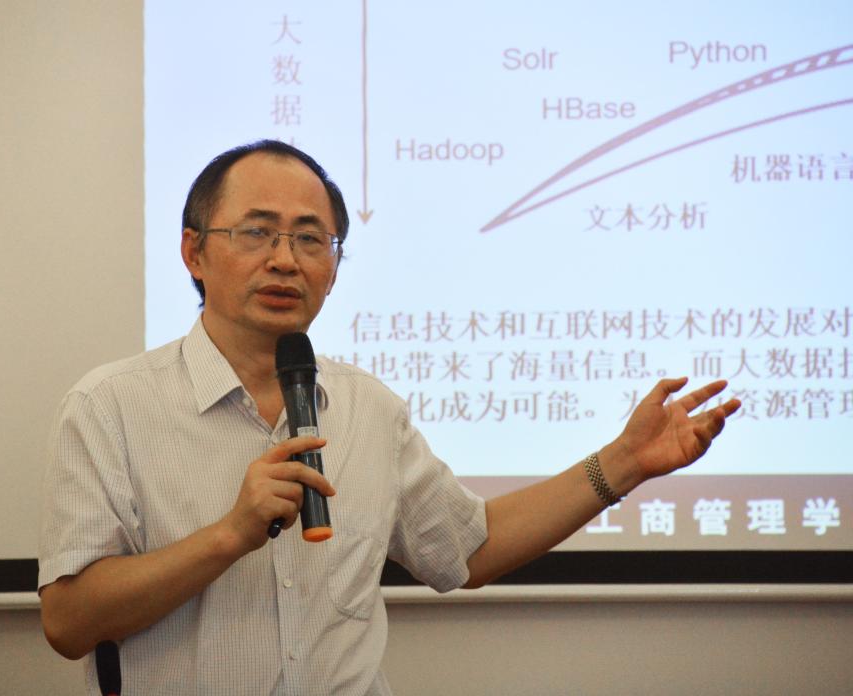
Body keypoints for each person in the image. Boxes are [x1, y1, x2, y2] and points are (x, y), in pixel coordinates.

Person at [38, 139, 740, 694]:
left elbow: (468, 549)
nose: (285, 260)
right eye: (257, 233)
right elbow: (68, 622)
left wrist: (623, 463)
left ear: (334, 265)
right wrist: (229, 535)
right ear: (194, 251)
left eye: (311, 239)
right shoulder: (110, 407)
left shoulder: (367, 409)